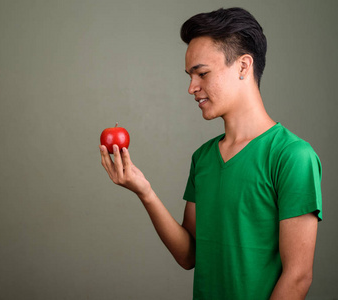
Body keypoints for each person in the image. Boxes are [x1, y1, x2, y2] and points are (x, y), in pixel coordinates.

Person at [99, 7, 322, 300]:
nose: (192, 87)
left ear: (244, 66)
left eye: (202, 73)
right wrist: (145, 191)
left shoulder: (293, 156)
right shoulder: (202, 158)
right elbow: (189, 255)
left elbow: (298, 277)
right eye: (190, 75)